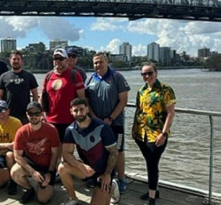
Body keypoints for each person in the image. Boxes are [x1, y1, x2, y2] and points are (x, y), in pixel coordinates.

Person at [58, 98, 119, 205]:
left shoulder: (102, 127)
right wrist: (80, 165)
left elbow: (114, 152)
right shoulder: (71, 130)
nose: (79, 113)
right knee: (62, 168)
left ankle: (112, 185)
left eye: (81, 109)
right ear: (71, 112)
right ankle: (72, 198)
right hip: (88, 170)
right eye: (75, 110)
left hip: (104, 172)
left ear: (87, 109)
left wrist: (107, 174)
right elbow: (66, 154)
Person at [86, 52, 131, 193]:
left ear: (107, 62)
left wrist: (110, 118)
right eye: (95, 63)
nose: (98, 65)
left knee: (118, 150)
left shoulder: (117, 77)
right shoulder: (90, 79)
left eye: (100, 62)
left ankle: (122, 179)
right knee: (98, 150)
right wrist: (94, 118)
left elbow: (123, 101)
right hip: (96, 124)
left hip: (115, 123)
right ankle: (98, 175)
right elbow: (86, 101)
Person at [132, 63, 176, 205]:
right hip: (141, 134)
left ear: (156, 73)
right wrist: (134, 132)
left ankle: (152, 198)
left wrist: (163, 133)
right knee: (150, 163)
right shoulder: (141, 91)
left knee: (152, 163)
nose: (147, 76)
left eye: (149, 73)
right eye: (144, 74)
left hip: (157, 135)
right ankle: (154, 190)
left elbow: (170, 113)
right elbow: (139, 112)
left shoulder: (165, 89)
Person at [11, 102, 60, 204]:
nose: (34, 116)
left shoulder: (51, 130)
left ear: (42, 114)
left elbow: (55, 153)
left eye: (37, 113)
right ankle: (29, 189)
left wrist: (50, 173)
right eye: (31, 113)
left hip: (47, 166)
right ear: (26, 114)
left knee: (42, 200)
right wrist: (32, 172)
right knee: (15, 172)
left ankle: (47, 184)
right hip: (32, 163)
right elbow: (17, 156)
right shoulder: (21, 132)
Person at [39, 48, 86, 143]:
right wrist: (41, 114)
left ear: (66, 60)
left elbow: (82, 99)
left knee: (67, 153)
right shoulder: (48, 76)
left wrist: (81, 117)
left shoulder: (75, 75)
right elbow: (42, 97)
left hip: (69, 121)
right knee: (53, 153)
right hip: (50, 120)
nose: (57, 61)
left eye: (61, 58)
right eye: (55, 58)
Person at [0, 100, 22, 194]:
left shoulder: (16, 122)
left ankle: (14, 181)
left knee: (10, 155)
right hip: (0, 153)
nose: (0, 112)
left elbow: (16, 145)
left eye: (3, 110)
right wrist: (7, 146)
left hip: (14, 154)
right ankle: (10, 174)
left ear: (8, 111)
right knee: (0, 183)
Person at [0, 50, 38, 124]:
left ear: (22, 61)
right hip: (8, 114)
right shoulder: (3, 76)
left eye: (18, 59)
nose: (16, 61)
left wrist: (33, 110)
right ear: (10, 61)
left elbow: (35, 94)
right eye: (14, 59)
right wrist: (2, 110)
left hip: (25, 114)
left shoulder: (29, 76)